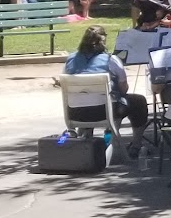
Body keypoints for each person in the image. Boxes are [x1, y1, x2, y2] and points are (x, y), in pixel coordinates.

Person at [62, 26, 150, 159]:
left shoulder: (70, 59)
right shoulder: (111, 60)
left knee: (89, 101)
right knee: (138, 101)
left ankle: (86, 138)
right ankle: (136, 145)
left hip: (76, 112)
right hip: (104, 112)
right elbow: (124, 89)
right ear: (103, 41)